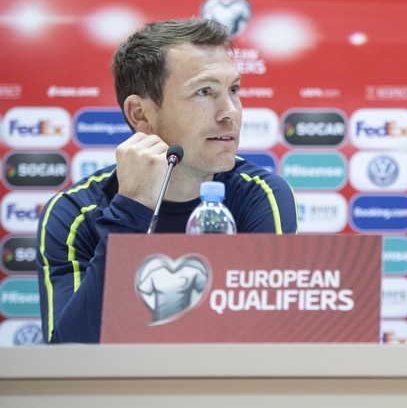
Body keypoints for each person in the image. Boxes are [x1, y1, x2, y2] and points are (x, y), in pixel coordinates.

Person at [36, 18, 298, 343]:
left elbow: (267, 340)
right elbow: (67, 358)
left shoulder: (262, 195)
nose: (230, 112)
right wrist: (131, 211)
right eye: (205, 92)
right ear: (140, 115)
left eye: (233, 90)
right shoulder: (74, 212)